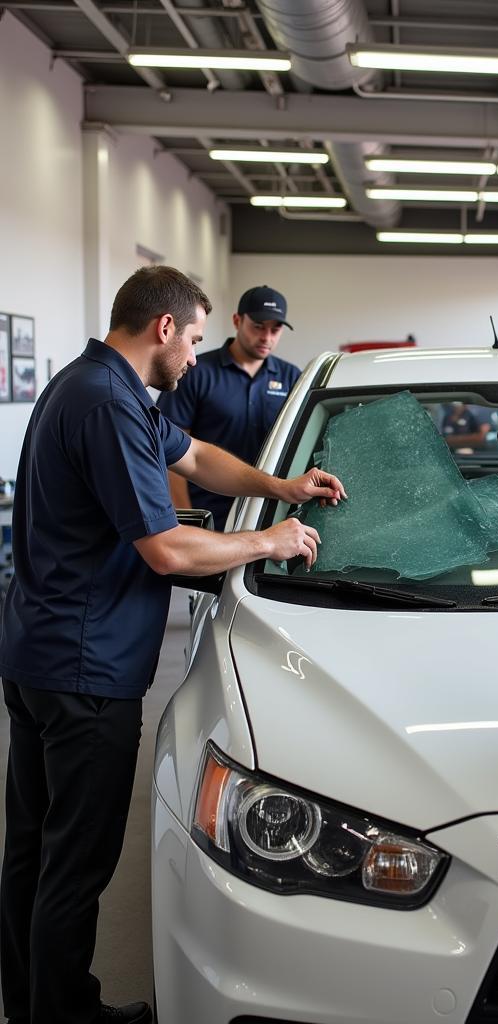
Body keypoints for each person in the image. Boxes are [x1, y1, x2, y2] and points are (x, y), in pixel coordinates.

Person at [0, 266, 345, 1024]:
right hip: (87, 669)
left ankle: (33, 1002)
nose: (196, 355)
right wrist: (269, 540)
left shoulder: (94, 384)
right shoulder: (107, 407)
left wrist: (280, 488)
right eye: (192, 338)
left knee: (31, 850)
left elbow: (194, 456)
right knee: (74, 863)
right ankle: (62, 1015)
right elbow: (166, 551)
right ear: (163, 328)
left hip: (38, 653)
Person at [156, 284, 301, 529]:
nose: (266, 337)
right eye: (258, 327)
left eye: (275, 330)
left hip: (269, 514)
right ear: (237, 320)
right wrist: (188, 521)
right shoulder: (195, 372)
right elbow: (170, 453)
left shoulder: (292, 377)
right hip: (209, 514)